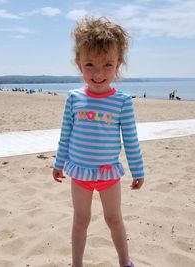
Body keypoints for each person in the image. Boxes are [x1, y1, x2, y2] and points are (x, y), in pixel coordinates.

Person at [52, 16, 144, 267]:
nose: (99, 73)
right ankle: (77, 264)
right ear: (79, 63)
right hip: (79, 173)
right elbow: (66, 134)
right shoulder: (73, 98)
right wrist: (58, 163)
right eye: (90, 64)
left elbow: (131, 140)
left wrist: (138, 170)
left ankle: (125, 262)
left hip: (108, 174)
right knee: (80, 220)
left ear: (119, 64)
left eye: (108, 65)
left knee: (114, 219)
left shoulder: (122, 101)